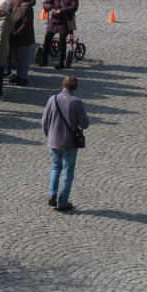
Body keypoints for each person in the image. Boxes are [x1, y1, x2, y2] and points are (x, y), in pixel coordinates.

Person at [42, 75, 89, 212]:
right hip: (69, 143)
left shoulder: (52, 99)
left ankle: (52, 194)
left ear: (63, 84)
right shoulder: (77, 102)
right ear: (76, 87)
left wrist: (49, 136)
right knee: (68, 172)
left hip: (53, 141)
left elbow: (45, 121)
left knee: (55, 167)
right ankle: (63, 202)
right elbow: (84, 124)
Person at [40, 0, 79, 69]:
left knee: (62, 40)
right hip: (54, 20)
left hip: (66, 20)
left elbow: (74, 7)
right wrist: (52, 8)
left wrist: (61, 11)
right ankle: (44, 60)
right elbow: (45, 3)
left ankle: (61, 62)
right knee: (47, 38)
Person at [8, 0, 36, 86]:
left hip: (24, 39)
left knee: (23, 59)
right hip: (15, 37)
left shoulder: (27, 8)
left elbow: (26, 24)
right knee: (16, 58)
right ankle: (18, 75)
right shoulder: (17, 4)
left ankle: (23, 77)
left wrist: (16, 33)